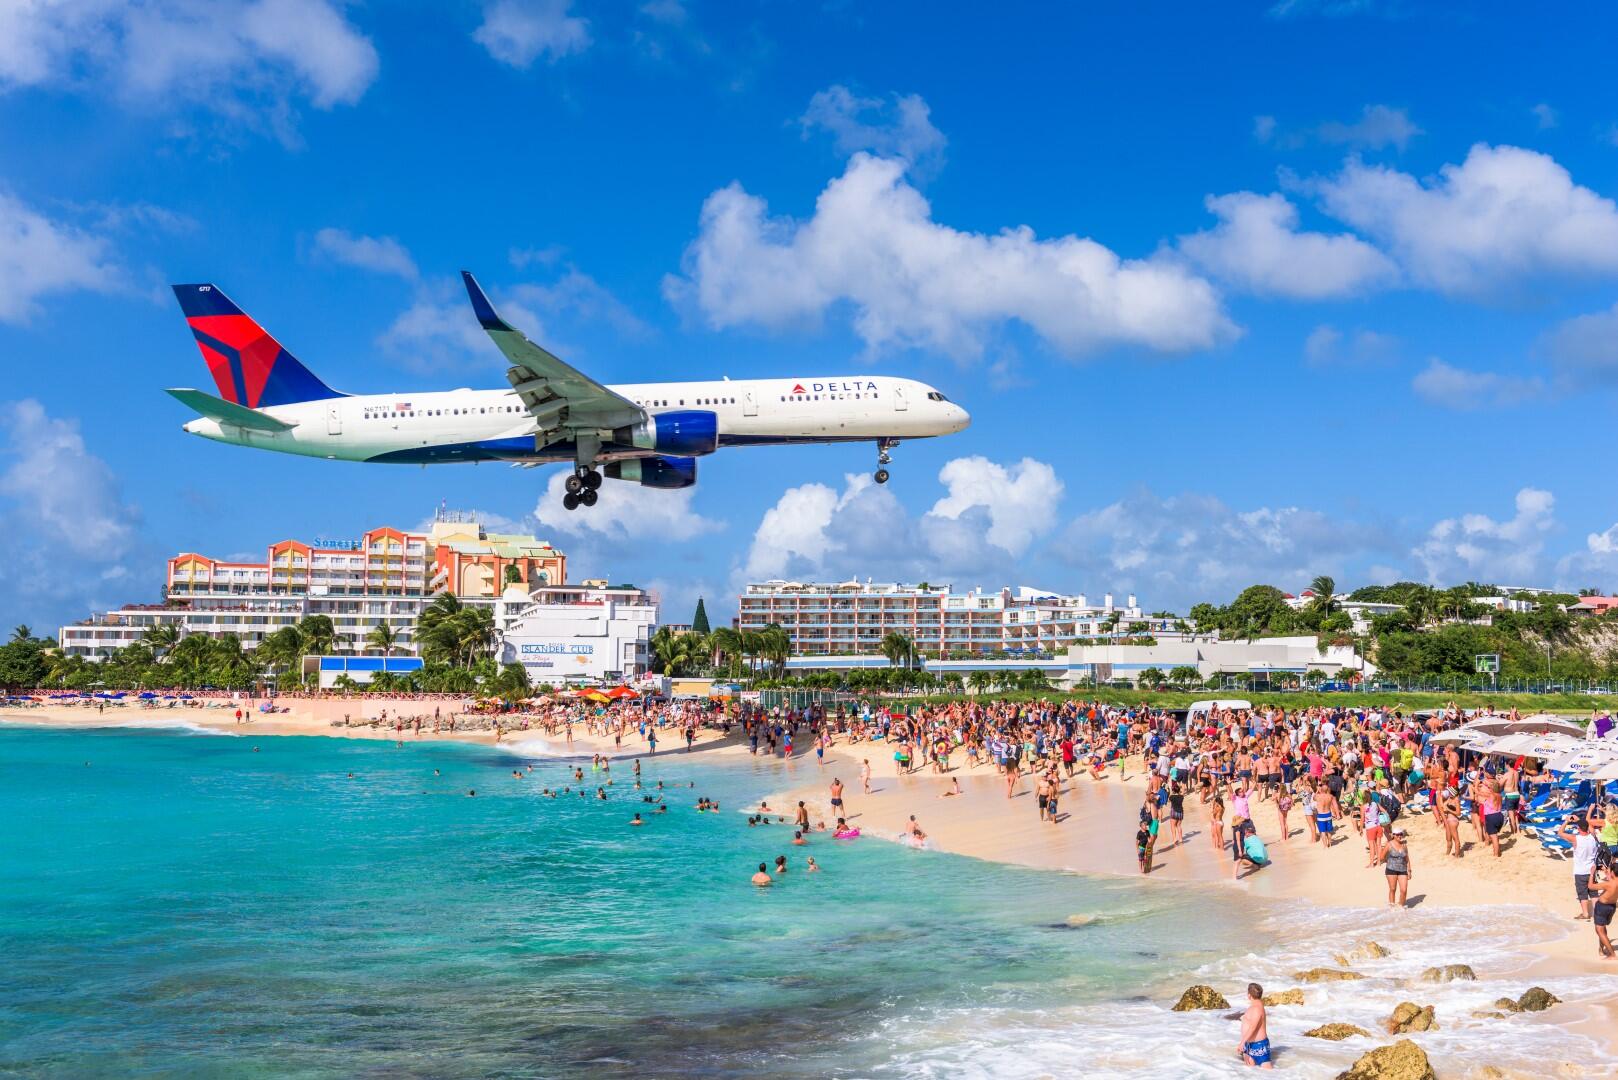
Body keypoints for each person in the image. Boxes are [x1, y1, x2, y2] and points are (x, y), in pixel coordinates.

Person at [1559, 816, 1600, 920]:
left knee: (1582, 894)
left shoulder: (1575, 839)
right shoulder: (1593, 836)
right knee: (1593, 892)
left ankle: (1586, 914)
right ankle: (1597, 914)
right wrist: (1580, 820)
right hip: (1592, 869)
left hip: (1580, 871)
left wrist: (1566, 821)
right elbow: (1589, 826)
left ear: (1578, 828)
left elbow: (1560, 833)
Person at [1237, 983, 1272, 1068]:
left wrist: (1242, 1042)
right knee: (1252, 1073)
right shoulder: (1256, 1006)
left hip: (1259, 1046)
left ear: (1249, 995)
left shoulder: (1257, 1008)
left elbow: (1253, 1027)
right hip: (1250, 1045)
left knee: (1267, 1072)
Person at [1381, 825, 1412, 908]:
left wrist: (1409, 870)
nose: (1399, 836)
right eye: (1397, 834)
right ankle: (1392, 907)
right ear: (1393, 835)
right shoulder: (1389, 844)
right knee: (1393, 889)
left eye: (1401, 834)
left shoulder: (1404, 845)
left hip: (1403, 870)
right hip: (1391, 869)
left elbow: (1407, 859)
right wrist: (1388, 861)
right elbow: (1381, 857)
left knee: (1404, 890)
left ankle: (1400, 907)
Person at [1592, 866, 1617, 959]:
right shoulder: (1614, 882)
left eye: (1610, 870)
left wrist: (1592, 873)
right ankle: (1601, 949)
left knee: (1599, 930)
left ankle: (1612, 954)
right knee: (1602, 928)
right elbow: (1613, 881)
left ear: (1613, 873)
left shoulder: (1608, 884)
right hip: (1611, 907)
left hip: (1602, 907)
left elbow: (1591, 886)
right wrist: (1607, 872)